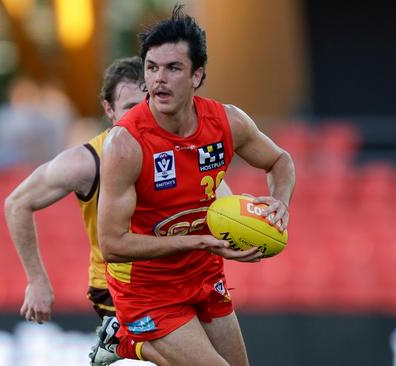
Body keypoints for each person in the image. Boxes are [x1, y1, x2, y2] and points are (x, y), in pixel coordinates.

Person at [97, 5, 295, 366]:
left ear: (197, 76)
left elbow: (281, 161)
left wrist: (281, 202)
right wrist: (200, 241)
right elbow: (111, 244)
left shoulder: (227, 122)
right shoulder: (125, 144)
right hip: (147, 290)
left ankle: (134, 345)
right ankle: (128, 340)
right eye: (152, 68)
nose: (159, 79)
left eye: (173, 68)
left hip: (204, 275)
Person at [5, 57, 205, 365]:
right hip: (119, 287)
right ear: (109, 111)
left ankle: (120, 339)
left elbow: (217, 198)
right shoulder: (87, 162)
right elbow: (17, 203)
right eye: (130, 106)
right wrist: (37, 280)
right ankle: (121, 338)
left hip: (176, 278)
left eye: (148, 102)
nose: (142, 114)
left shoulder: (180, 148)